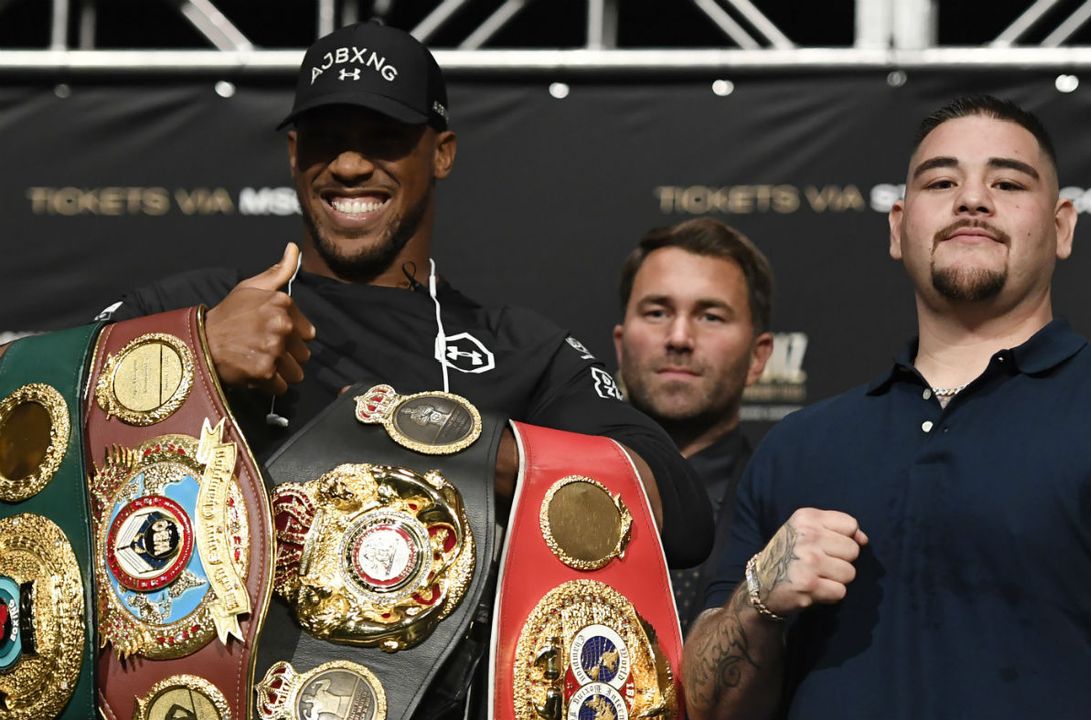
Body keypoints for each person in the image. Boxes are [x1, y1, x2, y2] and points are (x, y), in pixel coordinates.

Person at [682, 95, 1091, 719]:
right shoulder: (798, 447)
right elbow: (708, 706)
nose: (972, 199)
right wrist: (758, 599)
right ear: (898, 227)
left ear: (1063, 226)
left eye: (1008, 181)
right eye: (941, 181)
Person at [96, 23, 712, 563]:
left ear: (441, 154)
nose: (348, 165)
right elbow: (20, 402)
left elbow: (678, 511)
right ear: (292, 154)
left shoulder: (521, 351)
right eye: (324, 137)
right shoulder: (197, 308)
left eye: (382, 136)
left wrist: (429, 435)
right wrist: (184, 359)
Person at [613, 218, 773, 632]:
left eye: (711, 316)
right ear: (619, 343)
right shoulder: (546, 490)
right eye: (657, 312)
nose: (679, 336)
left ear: (758, 358)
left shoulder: (787, 509)